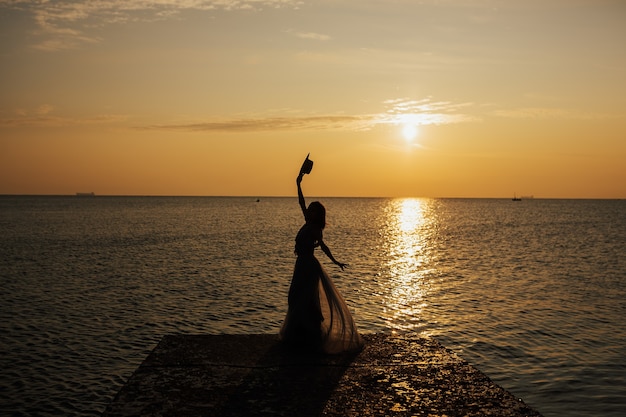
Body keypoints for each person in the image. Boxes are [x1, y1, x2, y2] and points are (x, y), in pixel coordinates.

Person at [280, 170, 363, 354]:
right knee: (296, 297)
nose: (309, 210)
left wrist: (335, 262)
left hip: (309, 266)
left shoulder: (315, 228)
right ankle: (302, 334)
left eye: (313, 210)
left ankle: (310, 335)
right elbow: (300, 201)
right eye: (309, 208)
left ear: (318, 215)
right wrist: (298, 183)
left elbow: (324, 247)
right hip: (301, 264)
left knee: (305, 299)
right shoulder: (307, 222)